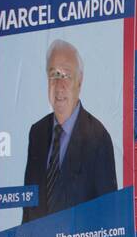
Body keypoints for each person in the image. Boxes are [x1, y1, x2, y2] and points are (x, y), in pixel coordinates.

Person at [22, 40, 117, 223]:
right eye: (54, 74)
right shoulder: (37, 132)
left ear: (79, 82)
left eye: (66, 75)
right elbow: (29, 209)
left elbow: (108, 217)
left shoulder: (98, 138)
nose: (59, 85)